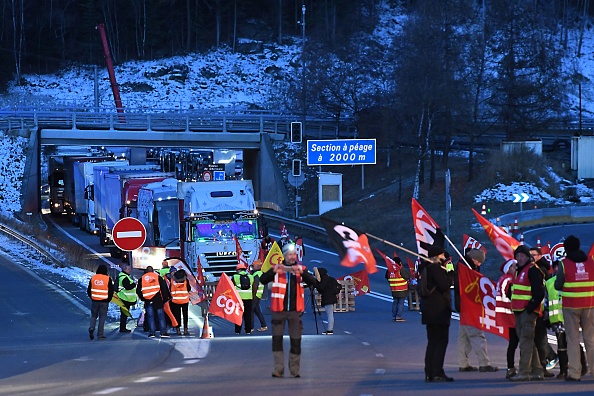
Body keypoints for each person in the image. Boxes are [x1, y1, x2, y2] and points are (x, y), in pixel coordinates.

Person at [259, 242, 317, 378]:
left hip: (295, 312)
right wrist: (274, 270)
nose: (292, 256)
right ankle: (278, 369)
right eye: (289, 254)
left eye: (293, 254)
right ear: (285, 256)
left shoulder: (300, 269)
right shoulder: (277, 269)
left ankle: (295, 370)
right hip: (279, 311)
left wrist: (302, 272)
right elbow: (262, 279)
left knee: (296, 341)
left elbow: (313, 282)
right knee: (277, 340)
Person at [554, 235, 594, 381]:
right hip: (590, 305)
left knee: (573, 340)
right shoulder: (591, 262)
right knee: (591, 339)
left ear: (566, 248)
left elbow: (558, 285)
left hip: (571, 306)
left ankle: (575, 373)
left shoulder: (564, 264)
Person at [455, 248, 498, 373]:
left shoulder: (463, 266)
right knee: (477, 334)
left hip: (462, 306)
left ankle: (463, 363)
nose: (479, 265)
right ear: (473, 259)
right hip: (469, 306)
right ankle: (484, 363)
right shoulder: (466, 269)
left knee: (464, 336)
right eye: (478, 262)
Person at [546, 259, 589, 379]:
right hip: (556, 319)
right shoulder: (549, 283)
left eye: (559, 267)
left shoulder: (569, 280)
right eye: (555, 267)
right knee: (561, 346)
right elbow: (546, 300)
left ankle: (582, 366)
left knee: (572, 342)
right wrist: (546, 317)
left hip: (569, 316)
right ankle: (563, 370)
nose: (557, 270)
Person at [508, 245, 545, 381]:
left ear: (527, 256)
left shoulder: (532, 270)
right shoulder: (519, 271)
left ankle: (524, 371)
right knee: (529, 342)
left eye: (522, 255)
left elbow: (539, 292)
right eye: (517, 256)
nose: (519, 258)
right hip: (519, 310)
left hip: (527, 311)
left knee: (525, 342)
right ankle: (537, 371)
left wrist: (530, 307)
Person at [422, 245, 455, 383]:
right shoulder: (435, 268)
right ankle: (437, 372)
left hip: (429, 310)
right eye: (443, 256)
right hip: (438, 311)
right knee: (440, 342)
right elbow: (445, 285)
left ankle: (429, 372)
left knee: (432, 342)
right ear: (438, 256)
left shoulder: (425, 268)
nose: (444, 258)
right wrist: (450, 270)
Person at [529, 246, 556, 377]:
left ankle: (548, 358)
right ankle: (546, 359)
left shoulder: (540, 270)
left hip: (541, 308)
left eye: (534, 255)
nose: (531, 257)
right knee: (538, 336)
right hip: (540, 307)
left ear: (540, 256)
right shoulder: (535, 269)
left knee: (539, 337)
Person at [495, 259, 519, 378]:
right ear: (508, 269)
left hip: (507, 315)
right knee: (523, 342)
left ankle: (510, 367)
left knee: (513, 343)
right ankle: (525, 367)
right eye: (514, 266)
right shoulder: (510, 280)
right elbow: (513, 297)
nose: (516, 268)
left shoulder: (502, 279)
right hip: (514, 314)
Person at [136, 266, 171, 338]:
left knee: (150, 316)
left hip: (148, 300)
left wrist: (143, 298)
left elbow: (138, 290)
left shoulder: (142, 279)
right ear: (152, 271)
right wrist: (165, 298)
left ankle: (152, 332)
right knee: (161, 316)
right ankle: (163, 332)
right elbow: (163, 288)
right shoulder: (158, 277)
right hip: (158, 299)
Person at [87, 264, 114, 340]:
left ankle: (92, 328)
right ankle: (100, 334)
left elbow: (89, 290)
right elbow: (111, 291)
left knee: (93, 316)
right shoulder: (108, 279)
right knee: (102, 317)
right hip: (104, 301)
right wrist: (108, 299)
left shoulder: (93, 278)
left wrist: (92, 297)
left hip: (95, 301)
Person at [315, 267, 342, 334]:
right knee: (330, 314)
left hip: (327, 298)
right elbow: (339, 286)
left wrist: (316, 284)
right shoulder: (331, 278)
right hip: (332, 297)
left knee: (329, 314)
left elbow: (320, 289)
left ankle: (330, 329)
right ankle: (330, 329)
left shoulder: (324, 280)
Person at [384, 256, 410, 322]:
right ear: (400, 263)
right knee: (401, 303)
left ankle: (394, 316)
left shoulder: (389, 270)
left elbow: (386, 277)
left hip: (394, 289)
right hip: (402, 289)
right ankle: (399, 316)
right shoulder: (400, 269)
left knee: (395, 302)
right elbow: (407, 276)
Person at [232, 262, 255, 335]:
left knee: (238, 314)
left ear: (238, 270)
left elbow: (231, 287)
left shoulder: (235, 277)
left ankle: (237, 331)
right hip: (248, 298)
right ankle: (248, 330)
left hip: (238, 299)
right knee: (248, 315)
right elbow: (254, 287)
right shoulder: (251, 277)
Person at [170, 268, 191, 336]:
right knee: (185, 315)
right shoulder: (186, 281)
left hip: (175, 301)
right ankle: (185, 330)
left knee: (177, 315)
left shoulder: (172, 281)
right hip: (185, 300)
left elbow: (170, 289)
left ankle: (178, 329)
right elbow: (189, 289)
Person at [117, 263, 136, 333]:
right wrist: (134, 284)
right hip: (125, 298)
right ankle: (122, 328)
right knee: (124, 314)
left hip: (123, 297)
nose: (130, 270)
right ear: (125, 269)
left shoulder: (122, 276)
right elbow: (128, 287)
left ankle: (123, 327)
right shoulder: (124, 277)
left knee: (124, 313)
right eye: (128, 269)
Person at [251, 259, 268, 332]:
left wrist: (253, 295)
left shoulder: (256, 274)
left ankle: (251, 327)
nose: (252, 267)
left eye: (253, 266)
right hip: (258, 295)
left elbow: (255, 285)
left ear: (257, 266)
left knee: (250, 311)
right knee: (257, 311)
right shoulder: (261, 273)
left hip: (255, 295)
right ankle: (264, 326)